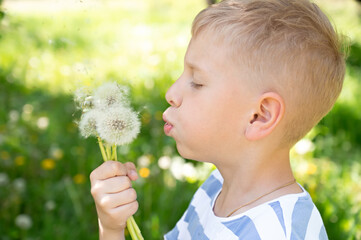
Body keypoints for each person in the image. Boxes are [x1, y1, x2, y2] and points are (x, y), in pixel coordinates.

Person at [89, 0, 346, 239]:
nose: (171, 94)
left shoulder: (278, 232)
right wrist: (112, 227)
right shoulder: (217, 187)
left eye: (197, 82)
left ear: (259, 116)